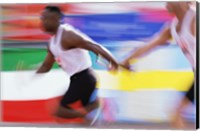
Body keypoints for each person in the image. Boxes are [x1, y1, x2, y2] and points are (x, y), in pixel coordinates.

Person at [120, 2, 196, 128]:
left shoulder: (194, 19)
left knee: (176, 112)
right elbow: (149, 45)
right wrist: (127, 60)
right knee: (176, 113)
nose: (166, 3)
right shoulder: (172, 27)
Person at [36, 5, 118, 120]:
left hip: (84, 78)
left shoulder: (67, 35)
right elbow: (46, 66)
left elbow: (94, 46)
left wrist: (114, 62)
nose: (42, 22)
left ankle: (97, 104)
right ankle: (94, 107)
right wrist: (32, 75)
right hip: (77, 79)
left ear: (56, 18)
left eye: (45, 18)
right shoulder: (52, 42)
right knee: (84, 119)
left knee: (59, 110)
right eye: (41, 18)